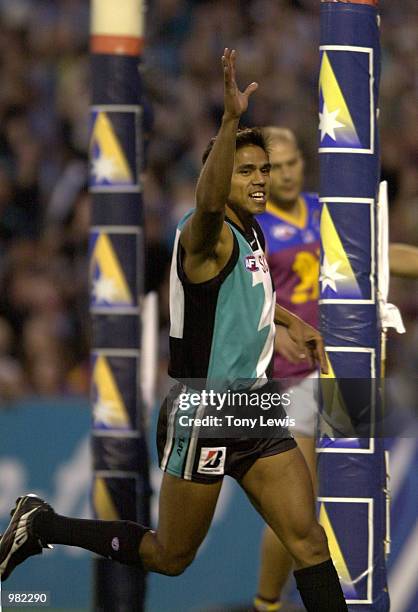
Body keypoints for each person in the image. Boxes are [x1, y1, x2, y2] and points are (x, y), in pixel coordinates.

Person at [0, 49, 348, 612]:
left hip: (255, 407)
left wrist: (289, 320)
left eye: (264, 170)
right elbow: (208, 204)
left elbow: (244, 296)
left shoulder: (252, 232)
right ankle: (44, 524)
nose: (260, 181)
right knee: (170, 557)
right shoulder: (204, 234)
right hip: (205, 411)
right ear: (219, 177)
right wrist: (231, 121)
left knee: (308, 540)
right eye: (247, 171)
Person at [253, 127, 418, 612]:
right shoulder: (253, 224)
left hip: (346, 367)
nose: (284, 173)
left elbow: (380, 257)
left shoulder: (325, 211)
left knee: (366, 484)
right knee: (296, 507)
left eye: (291, 163)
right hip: (291, 375)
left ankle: (359, 594)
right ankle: (267, 603)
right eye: (274, 166)